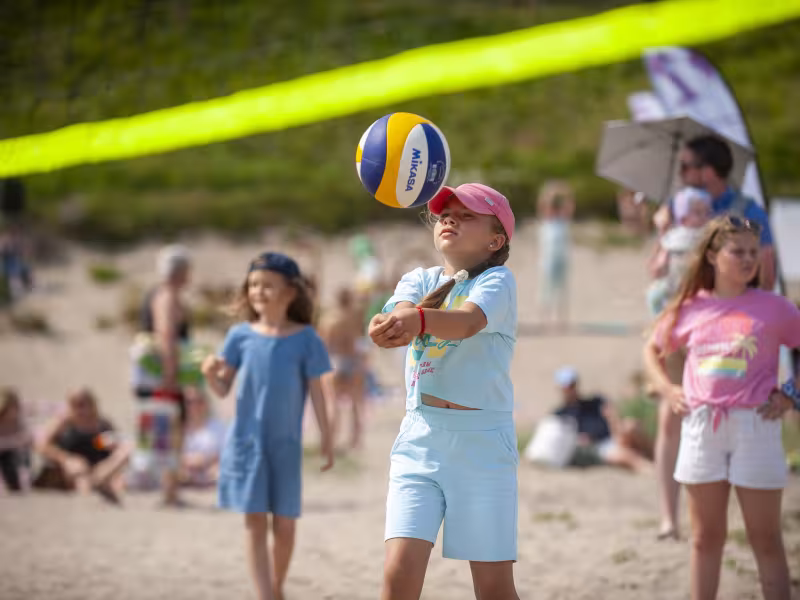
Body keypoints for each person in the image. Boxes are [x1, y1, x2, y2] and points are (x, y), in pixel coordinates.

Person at [369, 182, 520, 600]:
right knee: (398, 575)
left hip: (482, 447)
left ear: (496, 239)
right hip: (419, 440)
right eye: (445, 213)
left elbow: (466, 322)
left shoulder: (497, 281)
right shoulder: (418, 279)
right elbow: (394, 316)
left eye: (467, 214)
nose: (450, 218)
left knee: (492, 588)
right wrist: (386, 326)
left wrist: (415, 322)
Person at [643, 215, 800, 600]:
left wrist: (791, 393)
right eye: (737, 251)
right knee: (704, 539)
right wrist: (667, 388)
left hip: (756, 426)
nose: (748, 259)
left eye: (753, 252)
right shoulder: (689, 307)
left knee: (765, 540)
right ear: (713, 255)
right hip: (701, 428)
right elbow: (652, 348)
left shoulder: (775, 307)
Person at [201, 251, 334, 600]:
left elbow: (319, 394)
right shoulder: (239, 336)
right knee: (255, 522)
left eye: (267, 285)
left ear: (290, 292)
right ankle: (265, 595)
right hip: (246, 444)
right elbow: (222, 388)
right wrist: (209, 373)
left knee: (286, 526)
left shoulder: (306, 338)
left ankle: (276, 587)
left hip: (285, 446)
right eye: (253, 285)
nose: (258, 291)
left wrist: (327, 440)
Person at [655, 135, 776, 290]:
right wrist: (662, 232)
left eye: (685, 166)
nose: (680, 173)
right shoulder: (676, 207)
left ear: (707, 172)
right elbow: (656, 272)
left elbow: (767, 278)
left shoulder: (748, 212)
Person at [132, 244, 192, 506]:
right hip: (161, 376)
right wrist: (171, 376)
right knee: (168, 429)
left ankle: (170, 489)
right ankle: (168, 490)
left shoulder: (158, 294)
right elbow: (166, 335)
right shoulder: (167, 297)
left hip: (151, 376)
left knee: (161, 430)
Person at [36, 388, 130, 504]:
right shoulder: (65, 423)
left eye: (87, 404)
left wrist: (112, 448)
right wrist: (65, 459)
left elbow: (113, 445)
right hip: (74, 469)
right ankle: (88, 502)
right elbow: (41, 444)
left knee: (119, 476)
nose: (84, 410)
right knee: (81, 478)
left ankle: (102, 486)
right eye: (78, 405)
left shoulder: (102, 424)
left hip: (100, 469)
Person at [552, 367, 653, 473]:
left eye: (572, 385)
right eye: (567, 387)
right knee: (625, 455)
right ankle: (651, 469)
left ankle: (657, 457)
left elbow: (613, 416)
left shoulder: (595, 402)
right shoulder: (560, 415)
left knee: (631, 426)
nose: (570, 390)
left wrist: (615, 423)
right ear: (561, 389)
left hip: (613, 436)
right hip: (597, 448)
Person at [647, 186, 713, 316]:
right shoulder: (674, 238)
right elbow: (659, 265)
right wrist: (662, 231)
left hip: (699, 287)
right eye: (698, 213)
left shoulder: (708, 236)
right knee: (655, 296)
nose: (704, 217)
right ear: (683, 218)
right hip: (674, 285)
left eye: (707, 212)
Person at [319, 287, 367, 450]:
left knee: (332, 404)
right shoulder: (352, 319)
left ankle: (330, 441)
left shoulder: (328, 320)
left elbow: (323, 345)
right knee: (355, 403)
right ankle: (355, 440)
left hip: (333, 362)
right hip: (351, 361)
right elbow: (355, 344)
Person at [536, 180, 575, 329]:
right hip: (548, 260)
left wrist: (565, 192)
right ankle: (544, 318)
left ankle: (561, 319)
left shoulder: (563, 220)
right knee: (546, 288)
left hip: (562, 258)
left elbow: (569, 206)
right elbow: (543, 204)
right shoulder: (547, 221)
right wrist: (550, 192)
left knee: (562, 289)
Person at [179, 386, 227, 488]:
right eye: (189, 402)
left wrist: (204, 460)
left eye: (198, 401)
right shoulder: (177, 427)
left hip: (211, 470)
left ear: (205, 404)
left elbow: (224, 452)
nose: (194, 406)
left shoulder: (217, 426)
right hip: (184, 470)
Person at [0, 388, 32, 493]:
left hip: (10, 455)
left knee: (18, 457)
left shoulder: (19, 421)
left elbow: (28, 439)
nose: (15, 409)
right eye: (12, 406)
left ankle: (18, 486)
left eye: (16, 406)